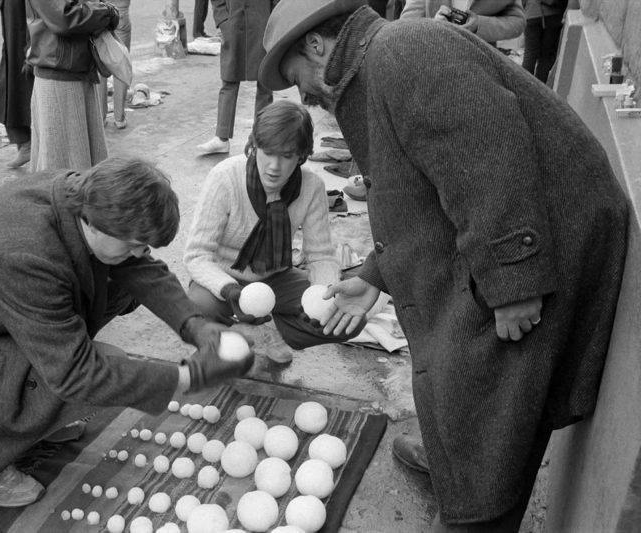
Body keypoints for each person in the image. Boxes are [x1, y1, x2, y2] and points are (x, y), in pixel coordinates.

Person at [258, 1, 628, 531]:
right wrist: (373, 277)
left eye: (297, 78)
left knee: (484, 380)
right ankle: (453, 457)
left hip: (545, 243)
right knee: (451, 370)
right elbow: (420, 192)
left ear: (317, 45)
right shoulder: (375, 73)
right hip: (523, 232)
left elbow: (491, 161)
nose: (304, 95)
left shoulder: (406, 51)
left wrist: (514, 282)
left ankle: (477, 509)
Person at [0, 156, 253, 508]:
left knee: (114, 299)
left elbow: (140, 268)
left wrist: (195, 325)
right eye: (132, 243)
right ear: (93, 223)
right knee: (95, 372)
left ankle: (33, 426)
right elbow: (75, 372)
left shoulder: (87, 198)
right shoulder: (23, 254)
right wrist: (186, 377)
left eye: (144, 245)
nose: (139, 253)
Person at [185, 100, 364, 363]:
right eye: (268, 152)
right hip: (225, 278)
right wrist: (231, 291)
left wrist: (320, 296)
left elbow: (321, 255)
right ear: (254, 146)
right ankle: (230, 335)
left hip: (276, 277)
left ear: (301, 156)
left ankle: (271, 332)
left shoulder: (311, 186)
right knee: (200, 305)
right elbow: (197, 255)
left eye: (287, 155)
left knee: (347, 317)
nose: (274, 166)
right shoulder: (225, 178)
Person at [25, 0, 119, 171]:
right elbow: (64, 18)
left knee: (81, 162)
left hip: (76, 68)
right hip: (60, 74)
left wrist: (105, 11)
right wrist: (107, 13)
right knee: (62, 166)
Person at [196, 0, 276, 155]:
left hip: (263, 24)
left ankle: (261, 138)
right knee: (228, 80)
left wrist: (273, 22)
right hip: (233, 23)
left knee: (265, 82)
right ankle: (221, 138)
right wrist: (223, 21)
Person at [0, 0, 34, 168]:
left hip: (23, 35)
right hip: (15, 36)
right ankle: (25, 143)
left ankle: (27, 144)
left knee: (21, 80)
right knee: (13, 80)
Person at [400, 0, 526, 45]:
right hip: (433, 66)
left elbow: (517, 22)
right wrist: (434, 27)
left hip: (482, 68)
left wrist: (479, 25)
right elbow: (405, 26)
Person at [99, 0, 132, 130]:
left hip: (99, 12)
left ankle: (100, 117)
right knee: (121, 64)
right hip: (120, 13)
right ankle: (119, 118)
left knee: (100, 63)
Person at [521, 0, 567, 83]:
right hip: (553, 15)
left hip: (531, 13)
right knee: (546, 56)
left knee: (530, 53)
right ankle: (540, 89)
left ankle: (523, 86)